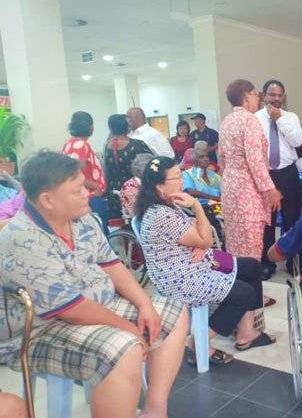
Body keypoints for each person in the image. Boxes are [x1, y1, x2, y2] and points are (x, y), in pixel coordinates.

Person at [0, 151, 188, 418]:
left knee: (174, 312)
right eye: (77, 190)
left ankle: (155, 410)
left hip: (94, 307)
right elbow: (71, 310)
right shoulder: (23, 238)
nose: (87, 193)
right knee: (123, 347)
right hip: (40, 330)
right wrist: (128, 327)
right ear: (48, 200)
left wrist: (144, 304)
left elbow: (112, 264)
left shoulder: (80, 219)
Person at [137, 157, 275, 364]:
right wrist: (196, 207)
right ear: (160, 187)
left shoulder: (167, 205)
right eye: (176, 177)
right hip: (182, 277)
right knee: (243, 293)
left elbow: (198, 232)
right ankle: (200, 341)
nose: (182, 181)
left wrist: (200, 243)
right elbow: (205, 238)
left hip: (199, 261)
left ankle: (246, 333)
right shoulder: (161, 214)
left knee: (251, 267)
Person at [219, 79, 282, 264]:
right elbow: (255, 160)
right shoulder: (249, 120)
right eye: (255, 94)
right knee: (251, 247)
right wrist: (270, 189)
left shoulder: (227, 121)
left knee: (234, 245)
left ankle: (235, 279)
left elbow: (221, 158)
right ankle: (251, 282)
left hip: (230, 189)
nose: (258, 99)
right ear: (246, 96)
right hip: (247, 192)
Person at [255, 80, 302, 276]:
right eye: (272, 94)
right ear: (264, 96)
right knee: (267, 221)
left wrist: (279, 120)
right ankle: (267, 262)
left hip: (288, 173)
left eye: (279, 95)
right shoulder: (255, 119)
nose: (276, 98)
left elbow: (298, 141)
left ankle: (293, 261)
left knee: (292, 219)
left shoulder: (291, 117)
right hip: (265, 174)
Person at [62, 111, 108, 230]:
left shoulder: (69, 143)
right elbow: (75, 172)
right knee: (99, 232)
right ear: (90, 127)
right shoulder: (81, 145)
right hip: (90, 196)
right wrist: (96, 187)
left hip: (80, 196)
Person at [103, 114, 153, 219]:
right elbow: (150, 167)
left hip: (113, 194)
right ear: (128, 127)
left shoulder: (107, 146)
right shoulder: (137, 145)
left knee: (120, 224)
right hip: (134, 192)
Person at [119, 153, 154, 218]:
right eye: (148, 170)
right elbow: (136, 212)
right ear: (138, 171)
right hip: (139, 220)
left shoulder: (151, 182)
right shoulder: (128, 187)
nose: (152, 173)